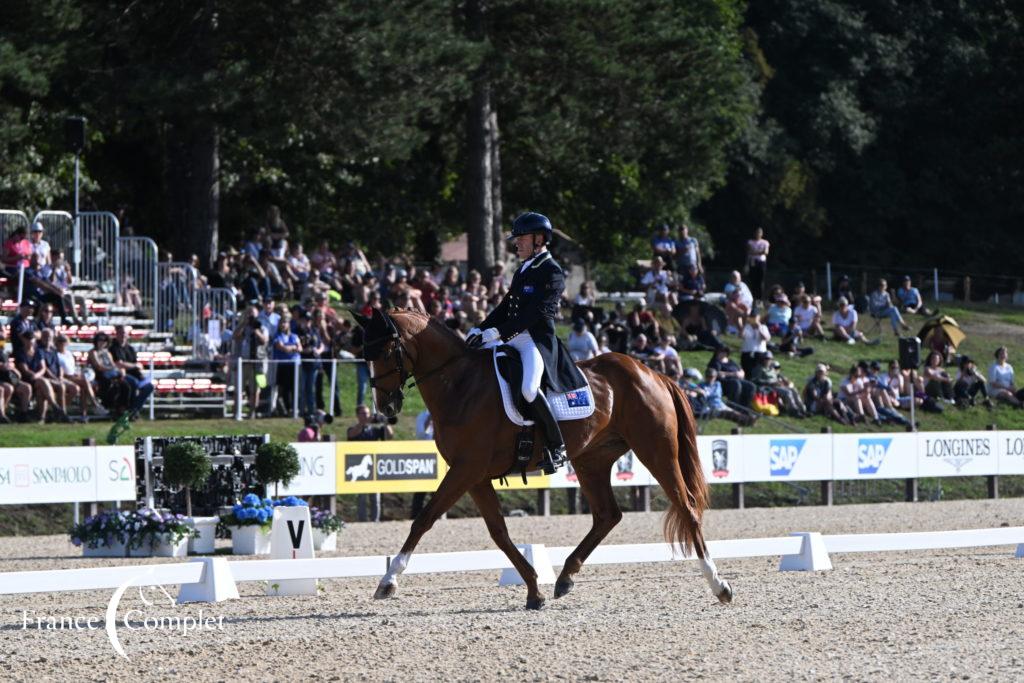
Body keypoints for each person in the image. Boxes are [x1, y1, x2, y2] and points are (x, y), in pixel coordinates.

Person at [467, 212, 583, 473]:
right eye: (516, 239)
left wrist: (497, 332)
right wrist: (480, 328)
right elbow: (507, 305)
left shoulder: (552, 272)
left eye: (521, 238)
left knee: (529, 389)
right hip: (511, 336)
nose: (516, 243)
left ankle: (557, 447)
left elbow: (536, 314)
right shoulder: (523, 269)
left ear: (539, 239)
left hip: (534, 341)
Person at [347, 404, 393, 522]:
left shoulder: (374, 430)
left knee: (375, 497)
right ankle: (362, 520)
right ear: (357, 415)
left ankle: (375, 520)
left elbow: (390, 436)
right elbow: (351, 434)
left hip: (373, 467)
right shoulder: (354, 429)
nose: (366, 416)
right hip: (358, 466)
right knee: (362, 497)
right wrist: (363, 423)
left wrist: (385, 422)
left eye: (367, 413)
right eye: (363, 413)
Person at [15, 330, 66, 423]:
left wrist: (37, 375)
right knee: (42, 382)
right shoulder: (20, 353)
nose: (30, 341)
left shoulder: (37, 351)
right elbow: (25, 369)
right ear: (25, 340)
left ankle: (48, 413)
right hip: (27, 379)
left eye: (32, 339)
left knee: (42, 387)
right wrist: (34, 375)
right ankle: (55, 407)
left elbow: (43, 367)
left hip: (38, 378)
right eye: (28, 339)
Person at [54, 333, 107, 419]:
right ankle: (94, 404)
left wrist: (76, 374)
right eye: (60, 341)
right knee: (84, 382)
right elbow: (59, 370)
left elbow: (72, 367)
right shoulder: (56, 354)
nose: (62, 343)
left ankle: (84, 413)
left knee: (84, 386)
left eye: (64, 341)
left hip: (73, 375)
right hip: (64, 376)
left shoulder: (68, 353)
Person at [109, 324, 154, 414]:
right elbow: (119, 364)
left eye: (124, 333)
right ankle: (128, 410)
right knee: (133, 382)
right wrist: (134, 366)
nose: (123, 335)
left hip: (134, 374)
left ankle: (134, 410)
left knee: (149, 386)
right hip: (120, 374)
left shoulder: (130, 348)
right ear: (116, 334)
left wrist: (138, 371)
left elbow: (136, 364)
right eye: (120, 333)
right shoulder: (113, 348)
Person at [750, 351, 807, 417]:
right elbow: (755, 380)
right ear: (763, 359)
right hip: (769, 387)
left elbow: (778, 374)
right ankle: (794, 411)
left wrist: (784, 379)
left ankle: (802, 409)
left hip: (778, 384)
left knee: (793, 390)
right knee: (787, 392)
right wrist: (771, 382)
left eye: (769, 359)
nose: (768, 361)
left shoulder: (771, 368)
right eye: (766, 359)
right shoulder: (759, 368)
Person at [272, 318, 301, 414]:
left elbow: (300, 348)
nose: (284, 325)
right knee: (285, 388)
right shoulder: (277, 336)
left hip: (295, 365)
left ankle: (295, 408)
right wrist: (293, 347)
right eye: (282, 323)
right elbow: (283, 348)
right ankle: (287, 409)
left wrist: (291, 347)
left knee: (295, 387)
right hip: (283, 365)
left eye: (285, 322)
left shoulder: (294, 336)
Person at [740, 311, 770, 377]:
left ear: (759, 318)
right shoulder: (746, 326)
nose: (753, 319)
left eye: (755, 317)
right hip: (747, 352)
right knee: (747, 371)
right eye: (752, 317)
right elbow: (741, 336)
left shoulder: (763, 327)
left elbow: (766, 338)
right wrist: (743, 324)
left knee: (757, 372)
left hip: (759, 353)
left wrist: (759, 328)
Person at [744, 227, 769, 302]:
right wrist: (759, 252)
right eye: (757, 232)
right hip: (752, 262)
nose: (758, 234)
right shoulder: (750, 242)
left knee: (760, 281)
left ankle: (759, 299)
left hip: (761, 263)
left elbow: (765, 252)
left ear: (762, 234)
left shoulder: (765, 242)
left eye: (759, 232)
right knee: (752, 281)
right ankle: (752, 298)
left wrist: (755, 252)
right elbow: (749, 252)